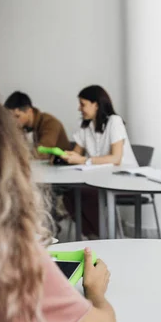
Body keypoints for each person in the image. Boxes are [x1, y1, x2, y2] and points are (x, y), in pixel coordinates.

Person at [0, 73, 116, 322]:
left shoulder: (59, 124)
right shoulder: (6, 264)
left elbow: (107, 156)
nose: (80, 110)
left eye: (84, 104)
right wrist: (96, 294)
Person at [62, 85, 138, 238]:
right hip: (98, 179)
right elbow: (77, 153)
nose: (79, 108)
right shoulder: (85, 125)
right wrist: (67, 156)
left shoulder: (114, 122)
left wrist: (83, 159)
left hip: (123, 179)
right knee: (69, 195)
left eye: (82, 104)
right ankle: (93, 235)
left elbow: (116, 158)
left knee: (90, 194)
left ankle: (104, 236)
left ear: (96, 104)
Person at [4, 91, 71, 159]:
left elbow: (43, 152)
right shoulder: (19, 126)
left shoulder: (50, 123)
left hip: (59, 166)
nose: (13, 121)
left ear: (29, 111)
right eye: (10, 117)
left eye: (17, 116)